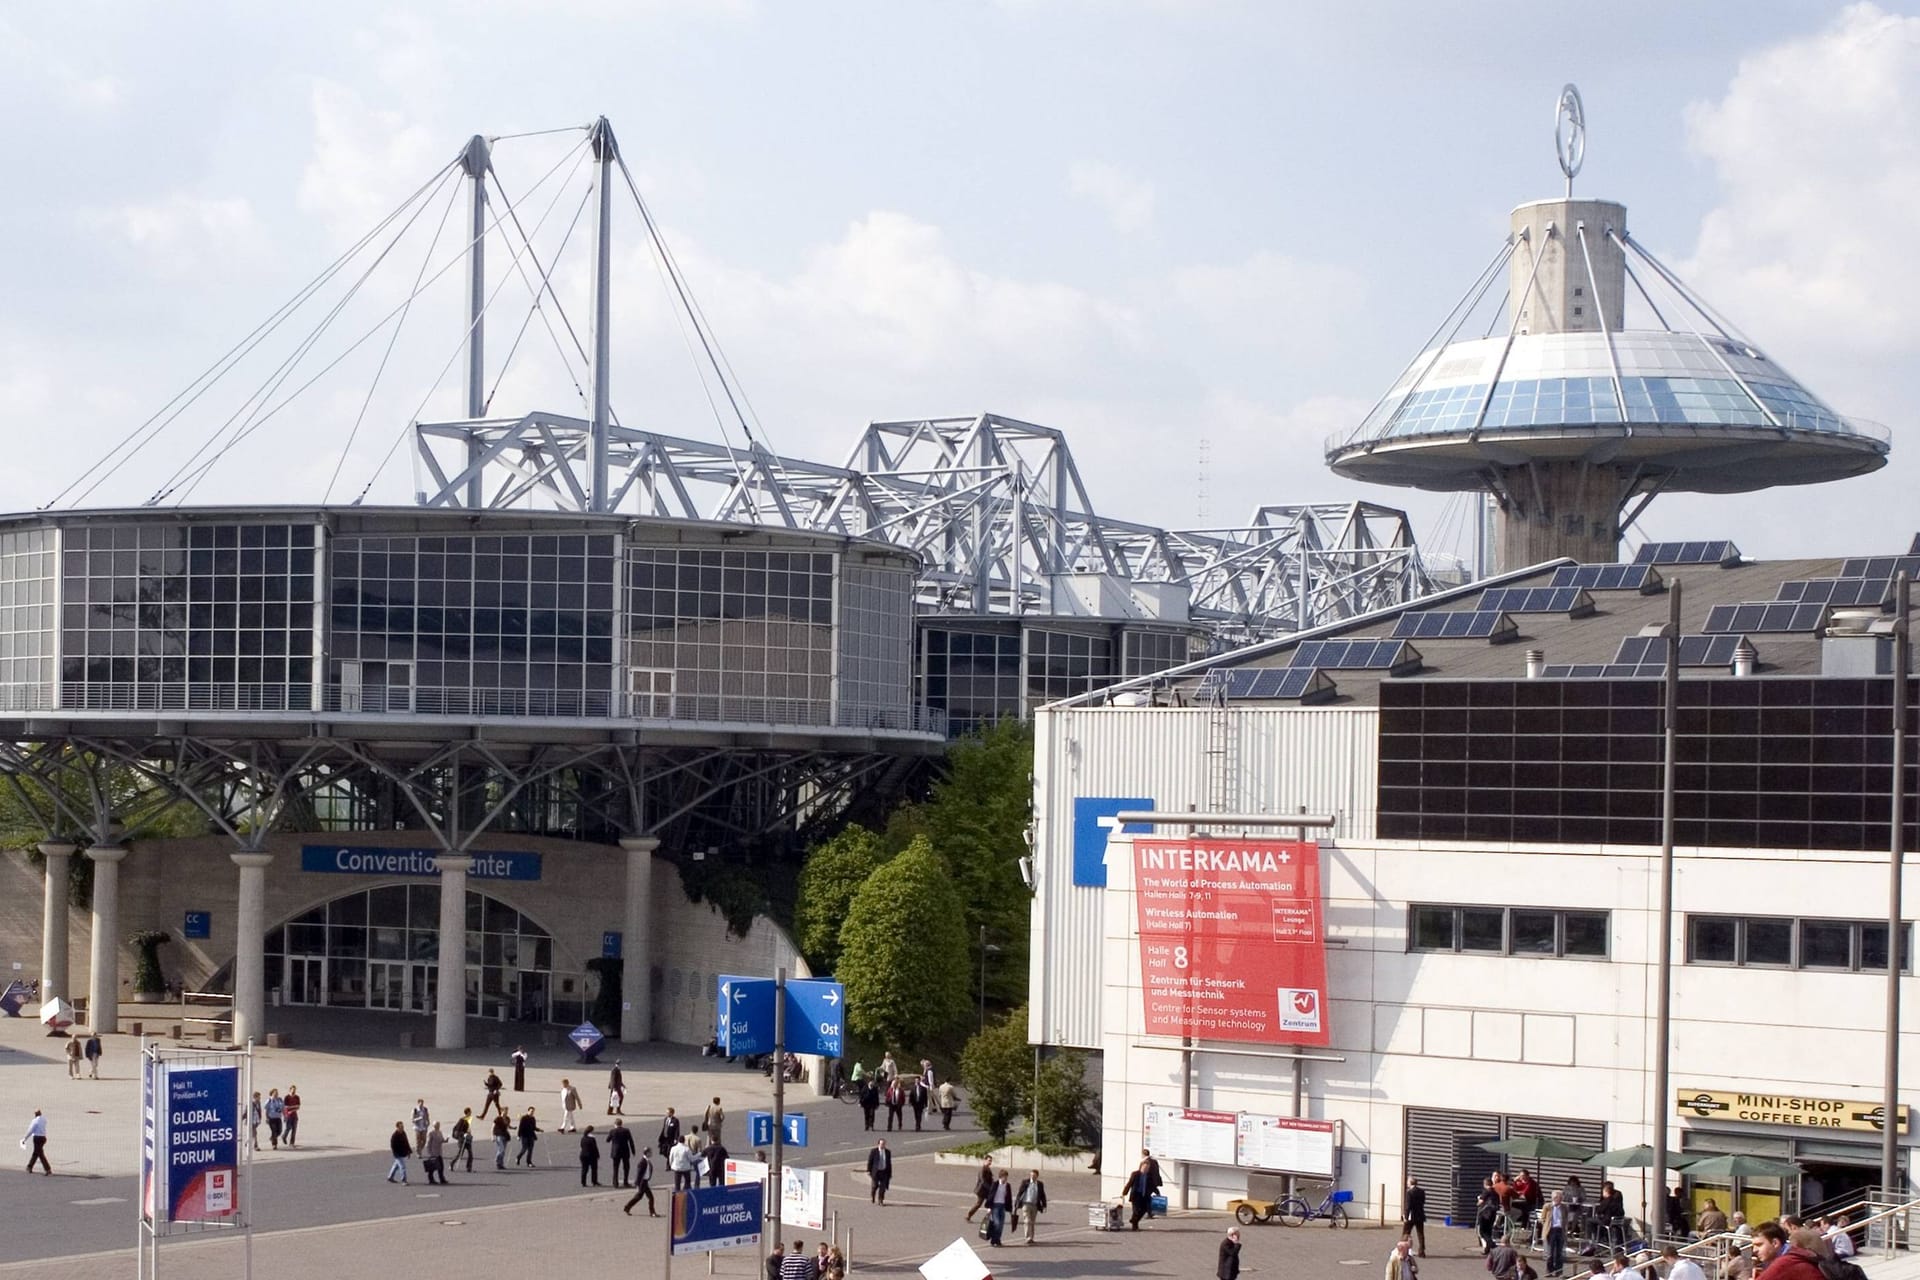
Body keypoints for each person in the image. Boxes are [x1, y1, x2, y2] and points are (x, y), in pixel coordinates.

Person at [1122, 1156, 1157, 1229]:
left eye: (1147, 1168)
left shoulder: (1149, 1176)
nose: (1146, 1170)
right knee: (1136, 1211)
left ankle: (1133, 1220)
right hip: (1136, 1195)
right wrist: (1124, 1193)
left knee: (1145, 1209)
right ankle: (1135, 1225)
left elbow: (1152, 1186)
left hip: (1144, 1195)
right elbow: (1129, 1183)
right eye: (1144, 1168)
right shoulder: (1135, 1174)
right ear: (1141, 1167)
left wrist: (1157, 1192)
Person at [1542, 1190, 1569, 1278]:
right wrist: (1546, 1226)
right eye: (1558, 1198)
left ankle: (1558, 1271)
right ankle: (1549, 1271)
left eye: (1561, 1198)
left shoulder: (1564, 1207)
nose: (1560, 1199)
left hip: (1560, 1230)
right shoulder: (1548, 1206)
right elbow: (1543, 1218)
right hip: (1551, 1230)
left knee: (1559, 1253)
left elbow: (1566, 1218)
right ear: (1553, 1198)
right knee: (1550, 1253)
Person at [623, 1147, 657, 1215]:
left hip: (645, 1182)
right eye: (650, 1152)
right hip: (642, 1182)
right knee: (644, 1197)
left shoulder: (647, 1161)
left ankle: (627, 1207)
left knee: (641, 1197)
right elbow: (639, 1174)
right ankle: (652, 1212)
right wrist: (637, 1183)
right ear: (647, 1153)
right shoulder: (642, 1162)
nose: (651, 1153)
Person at [1017, 1167, 1048, 1243]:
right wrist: (1017, 1203)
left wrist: (1044, 1205)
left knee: (1032, 1222)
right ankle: (1027, 1238)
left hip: (1034, 1205)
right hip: (1026, 1204)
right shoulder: (1025, 1182)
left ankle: (1031, 1237)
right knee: (1027, 1221)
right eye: (1031, 1175)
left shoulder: (1040, 1184)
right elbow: (1020, 1192)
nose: (1032, 1177)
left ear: (1037, 1176)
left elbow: (1042, 1195)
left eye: (1034, 1176)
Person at [984, 1169, 1014, 1246]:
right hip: (995, 1206)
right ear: (1000, 1177)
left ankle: (997, 1240)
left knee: (1001, 1225)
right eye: (1004, 1177)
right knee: (996, 1223)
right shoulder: (995, 1184)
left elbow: (1009, 1197)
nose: (1006, 1179)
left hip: (1003, 1206)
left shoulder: (1008, 1186)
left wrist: (1010, 1209)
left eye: (1006, 1177)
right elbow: (990, 1195)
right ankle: (994, 1239)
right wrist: (989, 1208)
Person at [1403, 1176, 1428, 1257]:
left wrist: (1405, 1216)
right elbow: (1423, 1202)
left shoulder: (1409, 1193)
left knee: (1406, 1233)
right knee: (1420, 1234)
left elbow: (1408, 1206)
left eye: (1407, 1182)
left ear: (1410, 1183)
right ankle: (1422, 1251)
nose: (1407, 1183)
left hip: (1411, 1216)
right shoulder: (1422, 1191)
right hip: (1420, 1215)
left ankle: (1404, 1250)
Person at [1477, 1175, 1502, 1256]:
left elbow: (1480, 1202)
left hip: (1484, 1214)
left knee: (1482, 1232)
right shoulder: (1496, 1193)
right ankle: (1487, 1249)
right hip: (1493, 1214)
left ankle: (1492, 1245)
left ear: (1485, 1184)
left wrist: (1478, 1201)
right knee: (1489, 1231)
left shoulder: (1486, 1191)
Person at [965, 1155, 995, 1220]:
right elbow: (983, 1181)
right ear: (985, 1160)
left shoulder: (988, 1169)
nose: (990, 1162)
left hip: (986, 1190)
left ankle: (991, 1217)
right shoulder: (982, 1169)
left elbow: (990, 1179)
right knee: (978, 1204)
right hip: (981, 1190)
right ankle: (968, 1215)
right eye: (989, 1160)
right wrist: (990, 1189)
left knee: (991, 1203)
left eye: (991, 1161)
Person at [608, 1117, 635, 1187]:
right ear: (621, 1124)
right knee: (626, 1167)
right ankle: (625, 1182)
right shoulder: (626, 1131)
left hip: (615, 1151)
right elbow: (631, 1141)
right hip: (625, 1151)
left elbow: (608, 1140)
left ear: (615, 1124)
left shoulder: (612, 1131)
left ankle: (615, 1183)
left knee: (615, 1168)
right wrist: (633, 1151)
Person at [22, 1110, 50, 1175]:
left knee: (40, 1154)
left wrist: (25, 1139)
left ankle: (47, 1169)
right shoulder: (44, 1119)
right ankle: (29, 1167)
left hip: (37, 1138)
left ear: (35, 1114)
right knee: (37, 1153)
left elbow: (30, 1131)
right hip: (43, 1138)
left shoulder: (35, 1121)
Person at [866, 1138, 892, 1205]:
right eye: (881, 1144)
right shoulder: (874, 1151)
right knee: (874, 1186)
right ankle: (873, 1196)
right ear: (878, 1144)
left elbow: (889, 1163)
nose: (882, 1145)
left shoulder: (888, 1152)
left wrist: (890, 1173)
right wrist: (868, 1170)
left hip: (884, 1172)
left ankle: (881, 1200)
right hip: (876, 1172)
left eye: (883, 1144)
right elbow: (870, 1161)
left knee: (883, 1188)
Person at [424, 1120, 448, 1185]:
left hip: (439, 1152)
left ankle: (442, 1179)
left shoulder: (440, 1132)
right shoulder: (431, 1133)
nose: (438, 1126)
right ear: (434, 1126)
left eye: (438, 1125)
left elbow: (441, 1140)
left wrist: (445, 1141)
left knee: (441, 1167)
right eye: (436, 1125)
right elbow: (428, 1143)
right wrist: (429, 1152)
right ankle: (431, 1180)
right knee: (432, 1168)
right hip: (433, 1152)